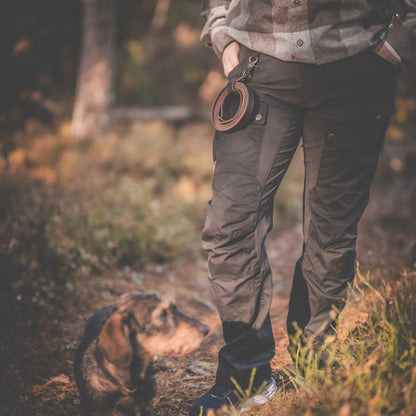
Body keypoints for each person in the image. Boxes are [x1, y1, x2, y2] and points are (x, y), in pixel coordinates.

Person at [189, 1, 416, 415]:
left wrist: (400, 40)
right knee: (230, 225)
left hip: (358, 67)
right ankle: (246, 377)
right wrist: (223, 37)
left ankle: (315, 364)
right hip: (260, 69)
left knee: (330, 231)